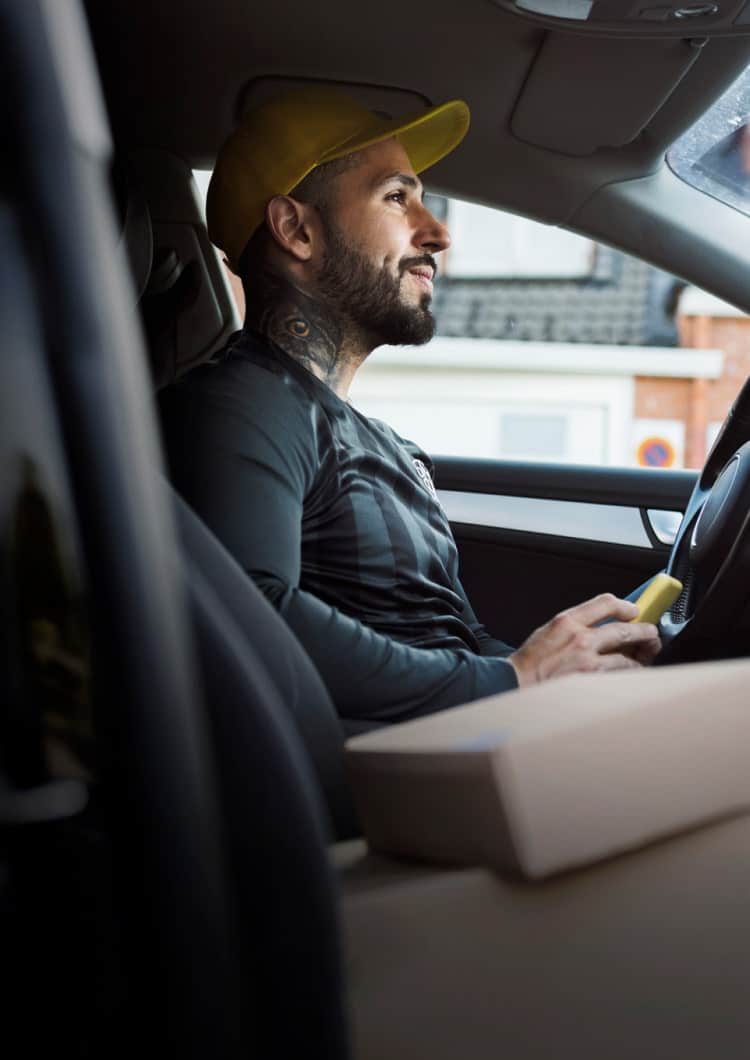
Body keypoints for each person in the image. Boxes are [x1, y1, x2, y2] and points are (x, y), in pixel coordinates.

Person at [159, 86, 660, 729]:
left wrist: (574, 674)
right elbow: (251, 615)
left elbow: (453, 633)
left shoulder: (387, 444)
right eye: (397, 197)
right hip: (391, 789)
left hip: (471, 749)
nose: (440, 232)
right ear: (297, 230)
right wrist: (519, 678)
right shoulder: (241, 400)